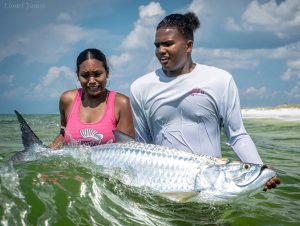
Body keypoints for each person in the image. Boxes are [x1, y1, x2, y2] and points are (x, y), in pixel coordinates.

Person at [129, 12, 279, 191]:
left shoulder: (219, 80)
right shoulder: (140, 87)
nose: (160, 50)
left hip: (210, 187)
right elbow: (142, 145)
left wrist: (259, 170)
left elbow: (237, 135)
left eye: (168, 44)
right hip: (162, 186)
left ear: (188, 46)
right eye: (157, 45)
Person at [50, 48, 134, 148]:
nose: (92, 80)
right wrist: (50, 150)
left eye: (97, 74)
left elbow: (125, 149)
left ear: (107, 73)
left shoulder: (121, 104)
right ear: (78, 75)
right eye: (85, 75)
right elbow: (63, 135)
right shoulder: (67, 100)